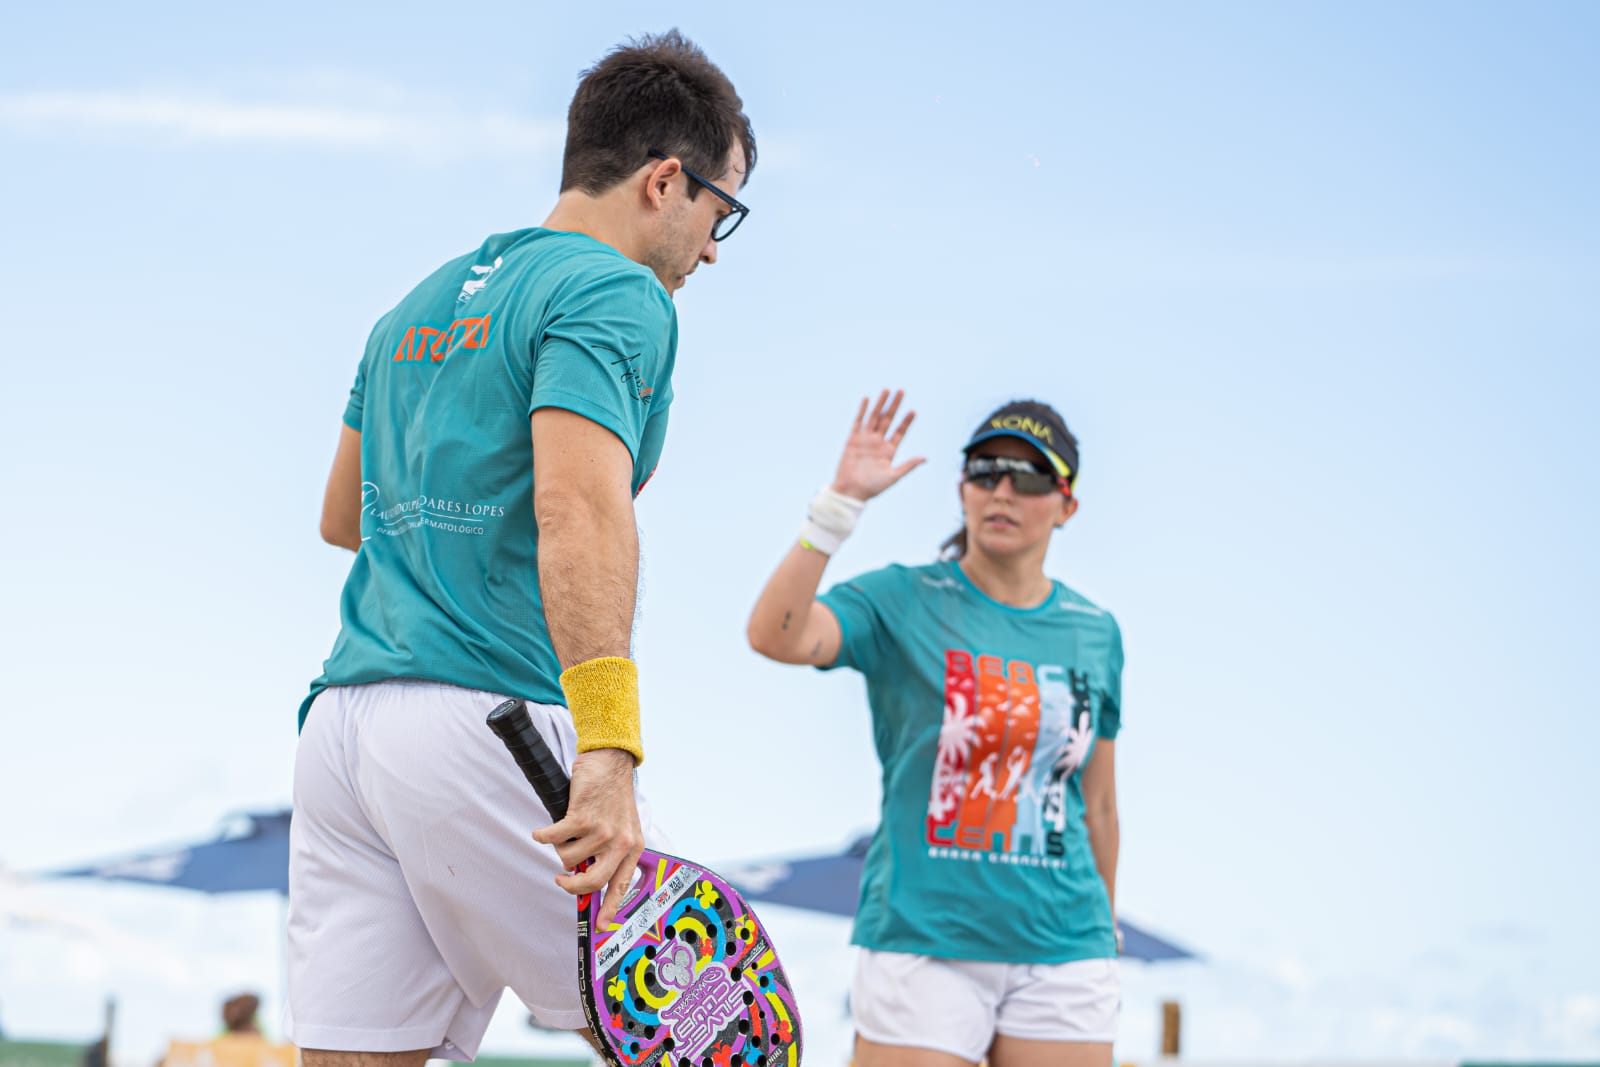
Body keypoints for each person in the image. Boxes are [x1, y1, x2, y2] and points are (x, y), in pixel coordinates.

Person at [287, 30, 756, 1066]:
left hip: (344, 732)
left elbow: (342, 515)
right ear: (666, 180)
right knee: (709, 1038)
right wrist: (608, 744)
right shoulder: (614, 291)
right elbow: (578, 510)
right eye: (723, 213)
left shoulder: (410, 308)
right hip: (491, 717)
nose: (714, 249)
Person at [748, 391, 1124, 1067]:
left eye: (1030, 475)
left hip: (1065, 948)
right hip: (923, 942)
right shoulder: (902, 599)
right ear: (963, 488)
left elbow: (1097, 801)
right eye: (985, 470)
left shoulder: (1095, 632)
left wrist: (1106, 930)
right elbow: (776, 635)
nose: (1003, 489)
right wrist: (837, 508)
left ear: (1067, 504)